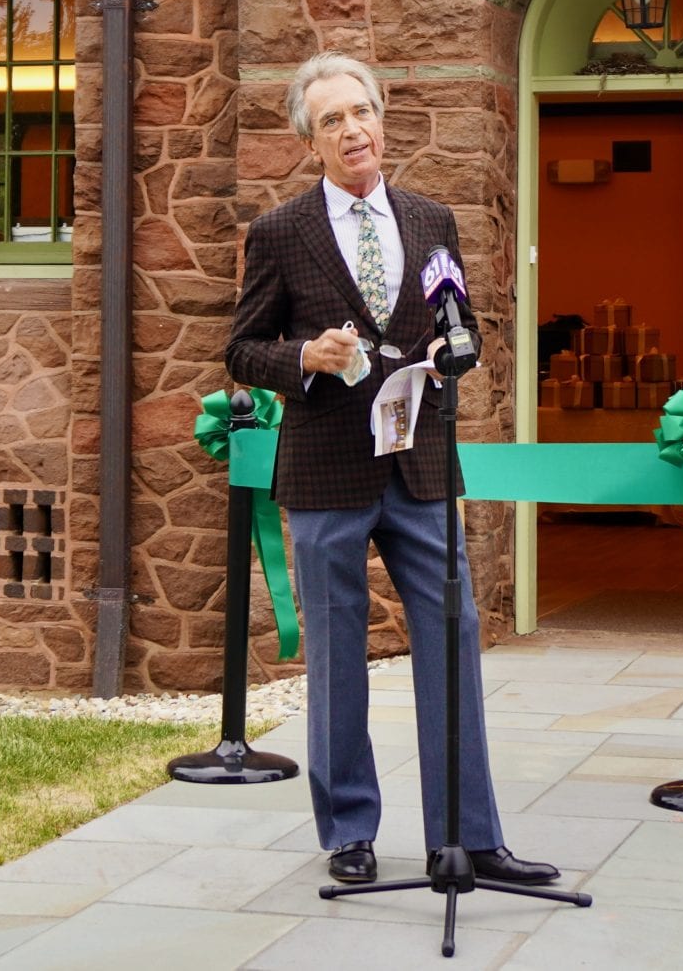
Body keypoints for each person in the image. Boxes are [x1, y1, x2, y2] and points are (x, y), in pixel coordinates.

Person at [226, 52, 557, 888]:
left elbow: (460, 321)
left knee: (453, 640)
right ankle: (350, 832)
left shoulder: (431, 218)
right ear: (312, 142)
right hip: (327, 471)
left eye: (361, 112)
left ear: (383, 119)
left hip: (421, 466)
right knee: (338, 652)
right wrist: (306, 353)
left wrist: (455, 351)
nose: (352, 130)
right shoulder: (280, 231)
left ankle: (470, 837)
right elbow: (242, 348)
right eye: (332, 120)